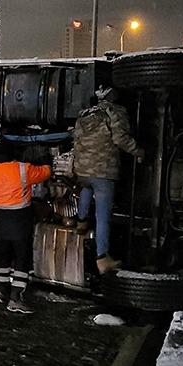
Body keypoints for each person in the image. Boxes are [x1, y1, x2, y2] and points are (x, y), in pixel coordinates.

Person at [72, 87, 143, 274]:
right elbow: (120, 139)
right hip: (103, 171)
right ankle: (102, 258)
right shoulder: (115, 112)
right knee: (103, 216)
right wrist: (139, 151)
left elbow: (75, 137)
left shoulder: (85, 114)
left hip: (82, 169)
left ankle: (80, 223)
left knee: (86, 188)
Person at [0, 143, 52, 314]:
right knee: (21, 258)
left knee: (3, 258)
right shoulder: (23, 169)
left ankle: (0, 294)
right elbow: (46, 172)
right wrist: (46, 160)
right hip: (21, 220)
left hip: (1, 221)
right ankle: (15, 299)